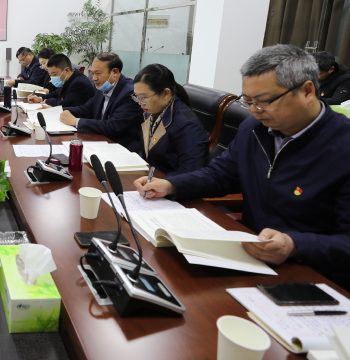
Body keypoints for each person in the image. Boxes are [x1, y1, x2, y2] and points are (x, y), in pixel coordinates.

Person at [135, 45, 350, 288]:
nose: (255, 111)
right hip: (250, 260)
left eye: (264, 101)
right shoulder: (254, 130)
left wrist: (295, 245)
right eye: (248, 101)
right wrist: (171, 185)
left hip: (313, 277)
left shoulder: (342, 148)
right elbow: (220, 175)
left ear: (307, 91)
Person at [132, 64, 209, 176]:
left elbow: (190, 173)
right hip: (150, 177)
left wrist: (159, 183)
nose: (140, 103)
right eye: (136, 97)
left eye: (143, 97)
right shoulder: (150, 113)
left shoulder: (187, 125)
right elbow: (147, 154)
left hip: (169, 183)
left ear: (166, 94)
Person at [59, 52, 144, 153]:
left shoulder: (130, 93)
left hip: (121, 149)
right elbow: (85, 109)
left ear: (115, 72)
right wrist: (56, 111)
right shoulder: (103, 86)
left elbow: (113, 126)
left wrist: (76, 121)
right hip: (100, 142)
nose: (94, 78)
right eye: (93, 73)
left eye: (98, 73)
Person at [27, 53, 95, 109]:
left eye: (54, 74)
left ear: (67, 70)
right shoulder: (69, 78)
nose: (52, 78)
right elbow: (57, 93)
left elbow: (65, 104)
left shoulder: (79, 83)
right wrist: (40, 98)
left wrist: (47, 101)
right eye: (50, 75)